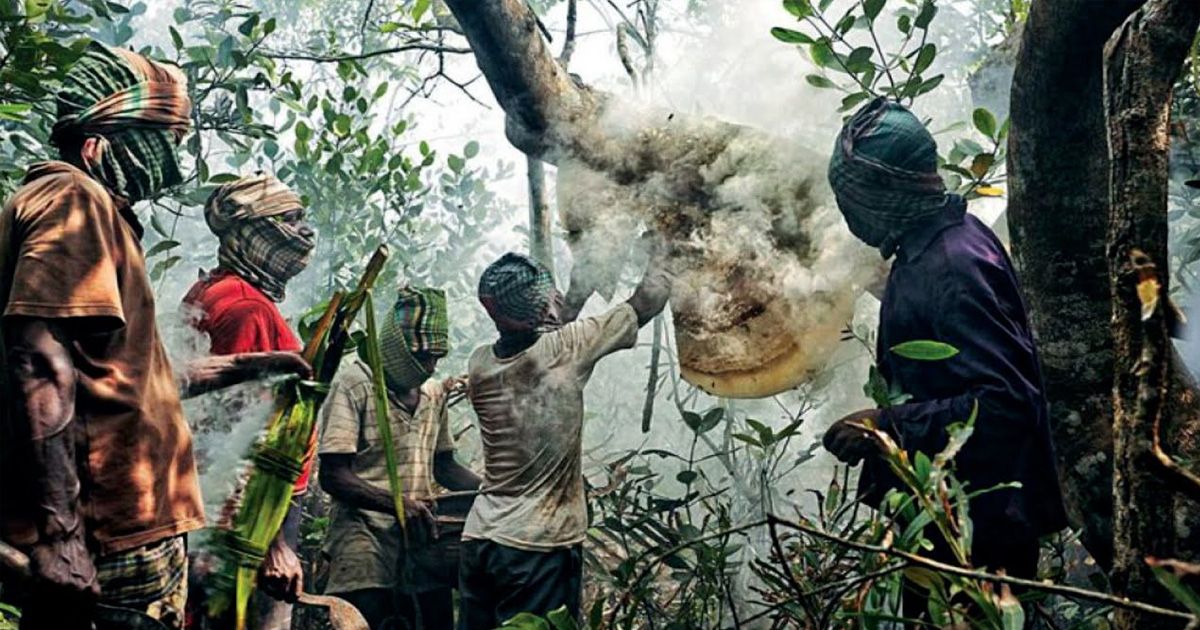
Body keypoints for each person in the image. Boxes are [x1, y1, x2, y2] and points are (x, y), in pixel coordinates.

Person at [0, 43, 306, 630]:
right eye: (161, 138)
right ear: (97, 144)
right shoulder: (73, 198)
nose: (172, 158)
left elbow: (126, 384)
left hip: (124, 530)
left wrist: (253, 365)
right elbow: (39, 364)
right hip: (106, 533)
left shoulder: (94, 214)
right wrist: (62, 536)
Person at [820, 97, 1068, 623]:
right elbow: (950, 338)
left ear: (888, 194)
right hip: (949, 518)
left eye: (853, 198)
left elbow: (1005, 404)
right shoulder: (939, 243)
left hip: (979, 531)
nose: (847, 214)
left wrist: (884, 427)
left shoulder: (953, 266)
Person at [458, 249, 672, 629]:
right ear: (543, 311)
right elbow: (644, 302)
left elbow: (548, 337)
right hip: (536, 546)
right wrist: (669, 248)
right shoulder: (563, 350)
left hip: (481, 539)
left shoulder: (480, 364)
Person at [181, 174, 317, 629]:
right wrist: (273, 541)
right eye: (291, 220)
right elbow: (244, 432)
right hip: (253, 512)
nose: (305, 233)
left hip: (210, 502)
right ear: (257, 231)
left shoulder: (211, 291)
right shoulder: (247, 308)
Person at [317, 286, 481, 629]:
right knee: (367, 617)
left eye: (436, 357)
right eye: (422, 357)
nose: (430, 366)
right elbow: (333, 474)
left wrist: (493, 491)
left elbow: (444, 466)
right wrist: (396, 503)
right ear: (396, 346)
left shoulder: (433, 393)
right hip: (363, 536)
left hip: (421, 535)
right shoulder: (355, 384)